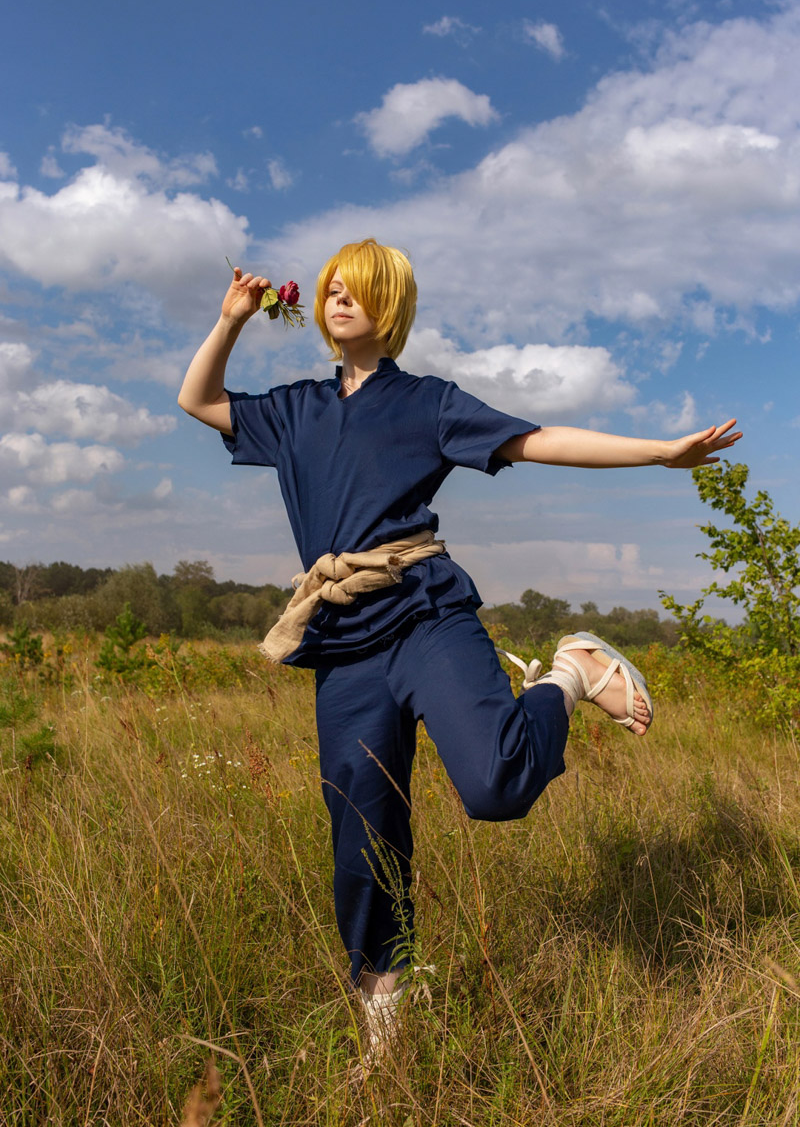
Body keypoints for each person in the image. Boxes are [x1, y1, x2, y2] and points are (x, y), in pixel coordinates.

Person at [178, 238, 740, 1064]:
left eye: (358, 290)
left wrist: (657, 451)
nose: (339, 299)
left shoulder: (428, 404)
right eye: (331, 288)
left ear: (390, 307)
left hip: (425, 612)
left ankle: (574, 672)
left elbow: (539, 439)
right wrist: (228, 321)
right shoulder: (294, 408)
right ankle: (385, 1026)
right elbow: (198, 400)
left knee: (497, 784)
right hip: (342, 635)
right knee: (362, 839)